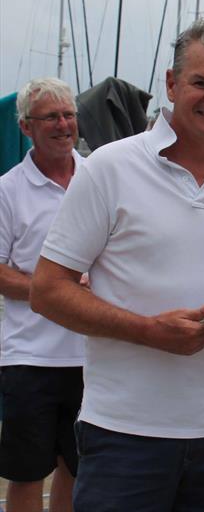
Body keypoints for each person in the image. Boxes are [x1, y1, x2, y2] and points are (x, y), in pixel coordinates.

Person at [29, 20, 204, 511]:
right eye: (202, 82)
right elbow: (48, 290)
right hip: (126, 436)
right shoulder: (110, 169)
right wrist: (147, 330)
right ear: (171, 85)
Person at [0, 78, 84, 512]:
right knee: (28, 473)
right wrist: (54, 291)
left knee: (79, 470)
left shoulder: (97, 178)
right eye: (50, 117)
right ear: (26, 127)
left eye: (68, 114)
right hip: (29, 358)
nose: (63, 124)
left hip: (95, 356)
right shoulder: (7, 190)